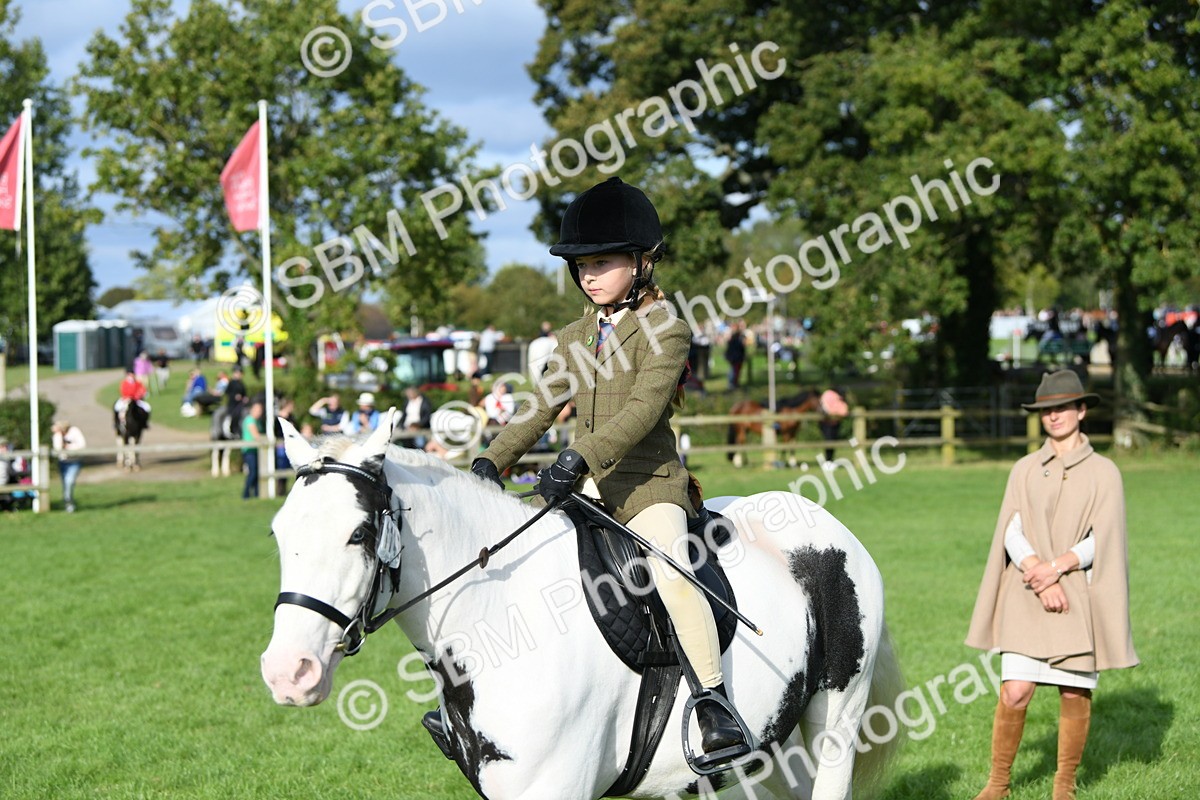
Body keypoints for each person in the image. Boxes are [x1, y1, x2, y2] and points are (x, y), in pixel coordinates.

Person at [461, 176, 749, 763]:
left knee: (671, 572)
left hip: (647, 488)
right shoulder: (574, 336)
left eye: (602, 262)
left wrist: (578, 457)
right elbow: (539, 407)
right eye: (581, 265)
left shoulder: (666, 328)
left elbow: (642, 411)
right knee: (511, 567)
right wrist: (491, 460)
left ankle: (714, 702)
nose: (588, 275)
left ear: (642, 263)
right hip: (581, 489)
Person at [966, 370, 1138, 800]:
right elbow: (1010, 529)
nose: (1054, 416)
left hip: (1078, 592)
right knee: (1015, 690)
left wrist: (1058, 567)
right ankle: (998, 784)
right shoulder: (1024, 469)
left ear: (1081, 410)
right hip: (1026, 590)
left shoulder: (1105, 473)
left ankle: (1064, 784)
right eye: (1046, 410)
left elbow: (1106, 537)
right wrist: (1039, 575)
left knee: (1074, 691)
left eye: (1062, 408)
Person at [51, 420, 87, 513]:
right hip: (63, 462)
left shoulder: (74, 431)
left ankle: (69, 505)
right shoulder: (57, 436)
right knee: (65, 484)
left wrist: (69, 448)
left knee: (69, 481)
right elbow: (58, 448)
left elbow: (82, 445)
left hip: (75, 461)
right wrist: (59, 437)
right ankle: (68, 503)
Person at [818, 387, 849, 463]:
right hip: (827, 422)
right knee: (829, 440)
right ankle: (828, 460)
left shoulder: (836, 397)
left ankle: (830, 460)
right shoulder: (829, 395)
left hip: (834, 422)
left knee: (832, 441)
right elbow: (826, 409)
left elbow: (844, 411)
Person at [241, 401, 264, 499]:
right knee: (253, 473)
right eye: (257, 410)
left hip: (256, 450)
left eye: (260, 411)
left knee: (256, 473)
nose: (259, 413)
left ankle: (256, 493)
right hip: (249, 450)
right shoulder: (250, 420)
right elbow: (255, 435)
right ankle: (246, 494)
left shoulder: (257, 421)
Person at [725, 323, 746, 390]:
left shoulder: (738, 337)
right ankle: (732, 383)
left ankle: (734, 383)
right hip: (735, 357)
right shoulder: (735, 338)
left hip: (737, 357)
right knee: (734, 371)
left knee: (736, 371)